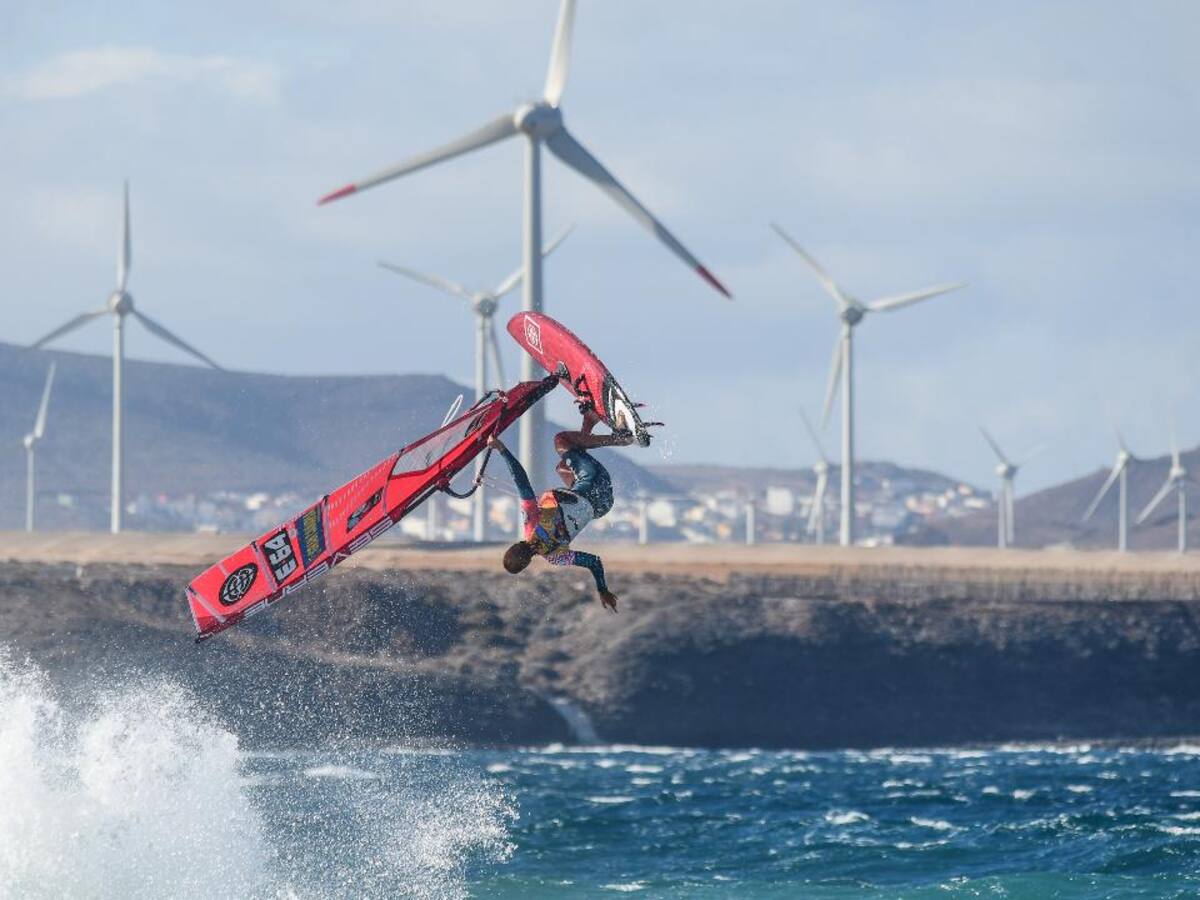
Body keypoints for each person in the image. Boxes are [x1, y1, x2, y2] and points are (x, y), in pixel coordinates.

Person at [487, 409, 633, 612]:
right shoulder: (531, 523)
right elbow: (522, 482)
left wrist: (602, 589)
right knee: (562, 441)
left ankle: (590, 420)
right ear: (516, 543)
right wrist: (501, 449)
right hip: (594, 482)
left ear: (528, 562)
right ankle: (623, 438)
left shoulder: (556, 557)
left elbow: (593, 561)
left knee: (563, 468)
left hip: (602, 505)